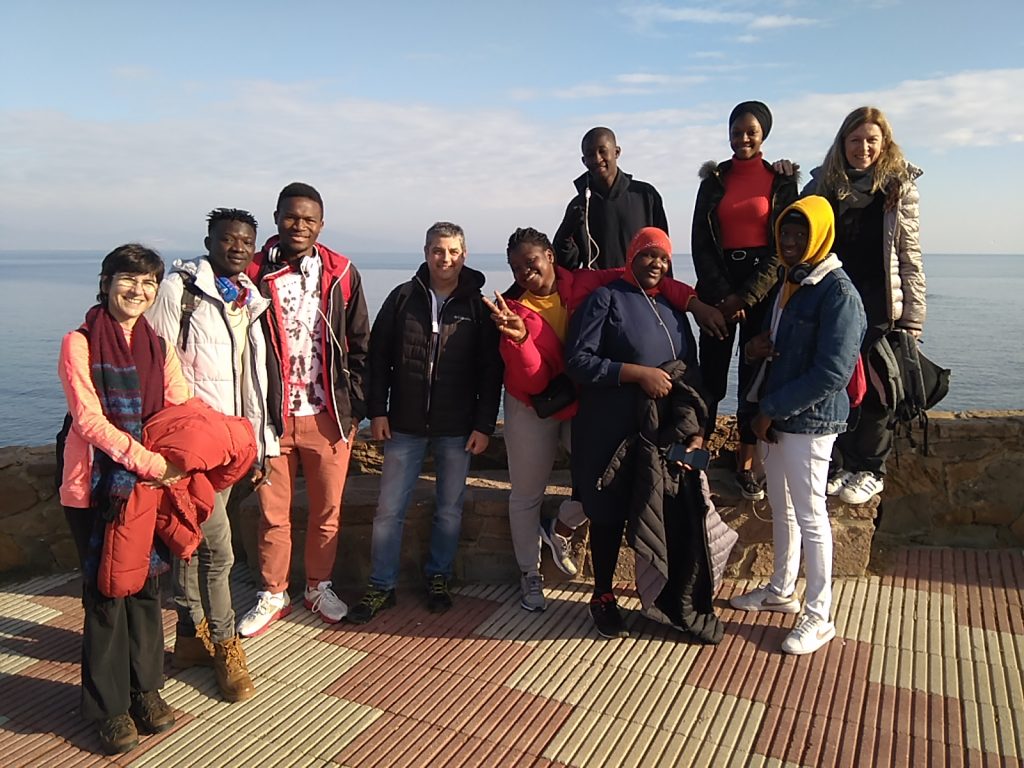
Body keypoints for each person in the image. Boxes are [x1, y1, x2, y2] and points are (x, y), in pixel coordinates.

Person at [484, 227, 724, 612]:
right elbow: (533, 380)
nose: (524, 273)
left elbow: (649, 275)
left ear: (550, 256)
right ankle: (529, 573)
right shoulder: (514, 310)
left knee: (603, 477)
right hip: (532, 405)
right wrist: (521, 339)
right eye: (516, 268)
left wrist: (695, 305)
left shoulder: (584, 283)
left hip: (576, 399)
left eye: (530, 262)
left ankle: (561, 524)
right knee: (527, 494)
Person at [58, 244, 189, 753]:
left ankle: (146, 691)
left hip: (147, 487)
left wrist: (182, 458)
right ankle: (109, 709)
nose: (139, 290)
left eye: (149, 282)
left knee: (148, 590)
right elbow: (89, 421)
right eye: (128, 279)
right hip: (96, 488)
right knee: (107, 594)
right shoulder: (79, 342)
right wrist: (151, 463)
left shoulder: (159, 347)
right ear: (107, 282)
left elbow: (178, 408)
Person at [730, 196, 865, 655]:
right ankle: (781, 589)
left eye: (799, 233)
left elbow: (832, 373)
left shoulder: (838, 293)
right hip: (777, 415)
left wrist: (772, 409)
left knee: (811, 516)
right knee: (782, 507)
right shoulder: (792, 282)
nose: (789, 241)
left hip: (808, 421)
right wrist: (755, 348)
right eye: (784, 233)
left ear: (820, 234)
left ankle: (819, 615)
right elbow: (782, 346)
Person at [348, 222, 502, 623]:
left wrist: (484, 425)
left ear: (464, 255)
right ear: (426, 252)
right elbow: (378, 358)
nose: (444, 258)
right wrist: (377, 411)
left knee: (449, 509)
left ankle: (439, 577)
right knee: (388, 510)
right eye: (437, 250)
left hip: (458, 427)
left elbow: (491, 372)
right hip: (404, 424)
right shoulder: (403, 298)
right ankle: (381, 585)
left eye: (452, 251)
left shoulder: (477, 307)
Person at [147, 208, 272, 702]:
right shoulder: (179, 292)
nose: (237, 248)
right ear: (209, 242)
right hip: (192, 447)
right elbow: (157, 366)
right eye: (228, 239)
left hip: (232, 447)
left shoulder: (247, 298)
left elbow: (254, 380)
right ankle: (224, 646)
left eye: (246, 242)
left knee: (192, 544)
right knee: (218, 550)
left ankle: (188, 636)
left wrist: (259, 444)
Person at [236, 182, 371, 637]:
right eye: (292, 217)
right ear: (276, 218)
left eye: (309, 219)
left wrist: (354, 407)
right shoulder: (252, 272)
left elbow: (360, 344)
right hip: (272, 418)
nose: (300, 225)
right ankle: (273, 593)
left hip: (328, 416)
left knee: (327, 512)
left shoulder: (341, 272)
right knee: (272, 513)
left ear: (321, 224)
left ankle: (318, 587)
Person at [566, 227, 712, 639]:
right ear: (632, 256)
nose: (656, 264)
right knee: (608, 514)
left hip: (660, 433)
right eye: (649, 255)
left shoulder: (672, 309)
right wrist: (635, 374)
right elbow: (578, 361)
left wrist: (696, 432)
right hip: (607, 429)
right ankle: (602, 596)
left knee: (661, 514)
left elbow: (688, 375)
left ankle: (663, 597)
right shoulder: (606, 299)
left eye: (664, 258)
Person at [803, 106, 924, 505]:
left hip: (878, 301)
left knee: (877, 386)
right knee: (837, 381)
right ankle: (842, 463)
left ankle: (871, 469)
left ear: (884, 143)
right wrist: (785, 176)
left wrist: (912, 320)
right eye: (855, 140)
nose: (863, 148)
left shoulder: (897, 189)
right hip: (835, 299)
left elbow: (910, 257)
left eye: (872, 140)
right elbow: (797, 226)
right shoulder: (823, 185)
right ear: (842, 143)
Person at [691, 100, 798, 501]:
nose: (743, 138)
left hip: (762, 290)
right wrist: (723, 295)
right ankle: (696, 456)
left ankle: (747, 464)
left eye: (751, 131)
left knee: (755, 376)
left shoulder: (781, 181)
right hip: (717, 289)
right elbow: (700, 242)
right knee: (710, 377)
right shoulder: (713, 181)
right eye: (736, 132)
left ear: (763, 134)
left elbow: (783, 246)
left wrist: (746, 297)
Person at [553, 127, 668, 271]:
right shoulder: (579, 205)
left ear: (616, 152)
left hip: (638, 284)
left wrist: (665, 284)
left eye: (602, 151)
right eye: (590, 154)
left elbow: (663, 252)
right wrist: (565, 235)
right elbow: (566, 265)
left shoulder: (646, 195)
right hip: (597, 284)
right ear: (584, 161)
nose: (597, 159)